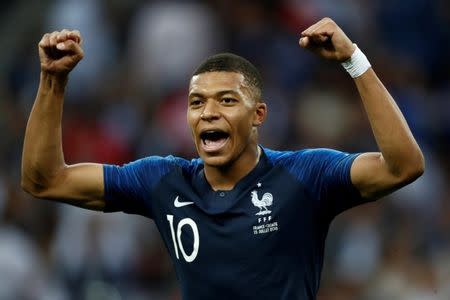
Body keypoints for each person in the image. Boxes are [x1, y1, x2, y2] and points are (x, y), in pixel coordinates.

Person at [22, 18, 424, 300]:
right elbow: (44, 180)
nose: (208, 113)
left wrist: (354, 61)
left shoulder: (305, 174)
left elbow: (403, 165)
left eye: (227, 101)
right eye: (196, 103)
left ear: (258, 116)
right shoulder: (162, 180)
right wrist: (53, 81)